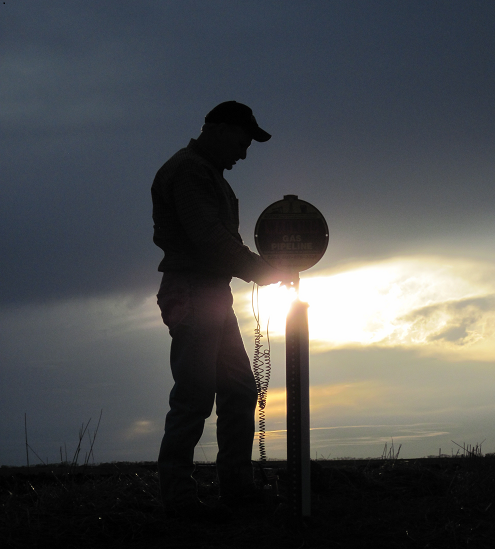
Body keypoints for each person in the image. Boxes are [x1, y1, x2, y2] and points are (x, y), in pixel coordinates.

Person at [151, 101, 287, 519]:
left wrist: (254, 270)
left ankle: (236, 486)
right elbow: (209, 237)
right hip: (193, 292)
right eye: (243, 141)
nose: (244, 153)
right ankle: (177, 497)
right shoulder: (191, 171)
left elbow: (213, 240)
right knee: (194, 395)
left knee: (239, 389)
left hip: (209, 294)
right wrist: (259, 269)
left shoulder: (206, 173)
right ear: (221, 130)